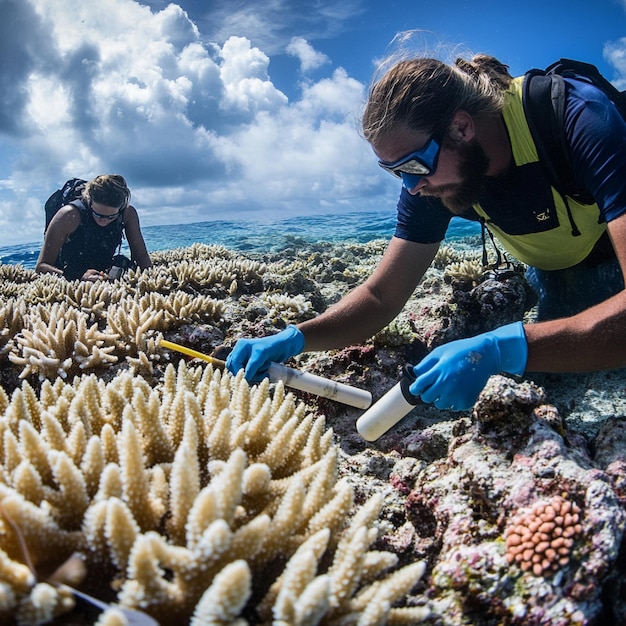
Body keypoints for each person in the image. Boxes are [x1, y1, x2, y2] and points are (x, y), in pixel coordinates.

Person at [226, 53, 626, 413]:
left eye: (413, 167)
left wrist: (503, 348)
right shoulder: (430, 175)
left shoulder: (580, 118)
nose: (411, 186)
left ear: (461, 127)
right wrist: (295, 337)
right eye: (394, 171)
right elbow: (381, 297)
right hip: (553, 272)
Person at [36, 174, 152, 281]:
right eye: (98, 215)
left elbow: (141, 256)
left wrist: (151, 278)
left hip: (102, 267)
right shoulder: (68, 215)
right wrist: (77, 276)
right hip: (70, 269)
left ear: (121, 209)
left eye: (111, 217)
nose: (103, 221)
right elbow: (42, 266)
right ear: (90, 202)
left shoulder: (128, 214)